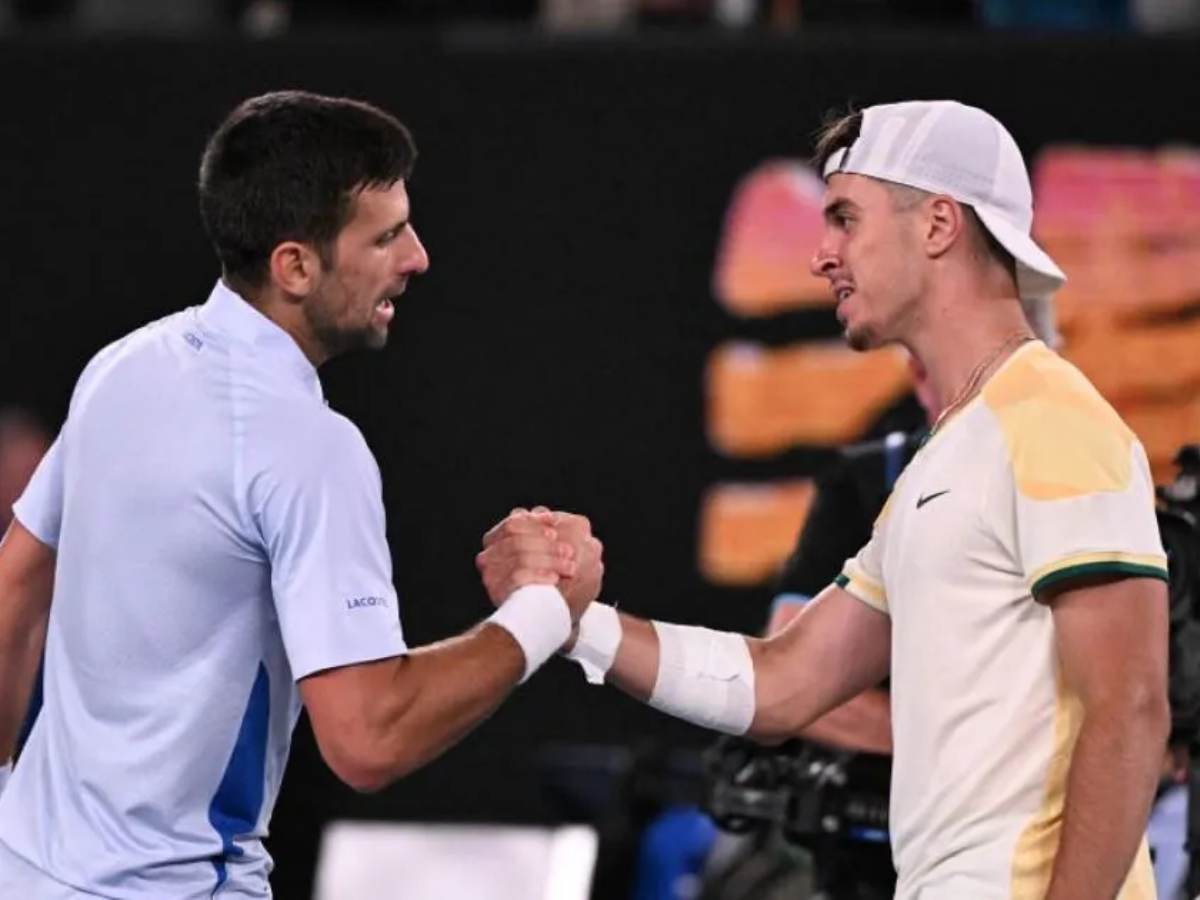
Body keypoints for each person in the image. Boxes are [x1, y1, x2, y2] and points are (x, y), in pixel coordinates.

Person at [478, 101, 1170, 899]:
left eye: (845, 218)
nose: (821, 255)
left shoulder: (1050, 421)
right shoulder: (950, 453)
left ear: (939, 224)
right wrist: (575, 621)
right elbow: (783, 683)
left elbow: (1131, 707)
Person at [0, 90, 597, 899]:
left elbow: (12, 591)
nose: (417, 256)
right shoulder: (311, 450)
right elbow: (368, 740)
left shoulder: (121, 367)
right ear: (295, 266)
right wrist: (540, 614)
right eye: (386, 236)